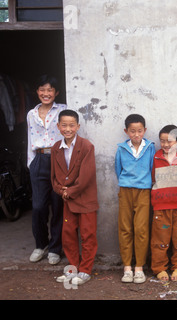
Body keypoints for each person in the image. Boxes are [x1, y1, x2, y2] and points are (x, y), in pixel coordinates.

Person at [51, 110, 99, 285]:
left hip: (84, 198)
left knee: (88, 235)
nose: (68, 129)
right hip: (67, 200)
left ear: (78, 126)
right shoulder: (56, 148)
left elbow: (86, 175)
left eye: (72, 125)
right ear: (58, 126)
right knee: (68, 234)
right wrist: (59, 189)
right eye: (64, 125)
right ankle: (72, 268)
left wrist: (69, 191)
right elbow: (54, 176)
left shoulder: (86, 146)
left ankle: (85, 270)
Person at [27, 75, 66, 265]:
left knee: (58, 205)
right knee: (38, 207)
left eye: (50, 90)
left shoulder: (64, 110)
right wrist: (31, 163)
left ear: (56, 93)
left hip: (58, 158)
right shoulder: (30, 114)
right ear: (37, 91)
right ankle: (40, 245)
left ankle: (55, 248)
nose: (46, 93)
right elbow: (29, 139)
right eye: (42, 89)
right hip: (39, 159)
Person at [115, 114, 155, 284]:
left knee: (141, 228)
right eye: (132, 131)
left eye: (140, 131)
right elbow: (118, 169)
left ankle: (139, 267)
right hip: (125, 190)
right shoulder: (121, 148)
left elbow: (153, 168)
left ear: (144, 130)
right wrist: (126, 182)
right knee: (125, 227)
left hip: (144, 191)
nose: (136, 134)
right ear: (126, 131)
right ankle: (127, 267)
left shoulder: (150, 148)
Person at [151, 125, 177, 282]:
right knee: (160, 239)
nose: (166, 144)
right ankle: (159, 268)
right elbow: (151, 178)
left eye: (170, 141)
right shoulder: (155, 157)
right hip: (160, 207)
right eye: (162, 141)